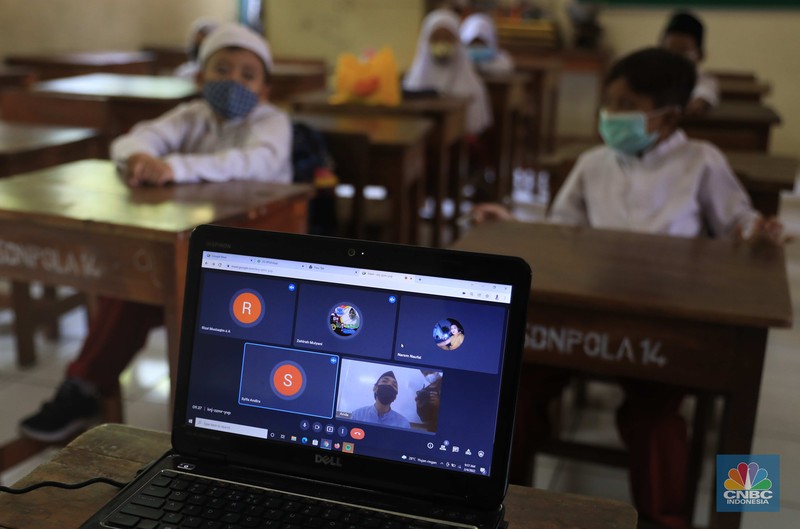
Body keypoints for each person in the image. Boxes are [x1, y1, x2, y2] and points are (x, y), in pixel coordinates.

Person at [474, 47, 786, 529]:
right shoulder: (594, 162)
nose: (610, 114)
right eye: (609, 102)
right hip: (586, 311)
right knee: (519, 393)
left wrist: (755, 230)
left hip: (663, 320)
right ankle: (496, 504)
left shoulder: (701, 161)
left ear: (667, 117)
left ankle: (667, 519)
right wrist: (514, 225)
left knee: (657, 420)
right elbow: (559, 233)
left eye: (625, 105)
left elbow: (737, 221)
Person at [19, 22, 293, 443]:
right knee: (132, 285)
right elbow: (132, 141)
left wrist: (173, 167)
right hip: (191, 250)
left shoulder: (273, 124)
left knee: (167, 294)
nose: (234, 82)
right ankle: (84, 387)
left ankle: (206, 412)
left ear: (265, 90)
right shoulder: (192, 115)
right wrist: (140, 158)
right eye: (222, 70)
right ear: (200, 78)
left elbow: (250, 163)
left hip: (254, 263)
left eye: (248, 75)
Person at [403, 8, 492, 136]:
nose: (442, 43)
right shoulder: (412, 83)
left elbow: (474, 128)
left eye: (448, 38)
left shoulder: (473, 87)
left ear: (457, 41)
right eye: (436, 38)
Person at [660, 11, 719, 116]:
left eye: (682, 53)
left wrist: (700, 102)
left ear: (700, 55)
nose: (674, 59)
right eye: (668, 52)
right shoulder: (653, 77)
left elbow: (703, 96)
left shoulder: (704, 81)